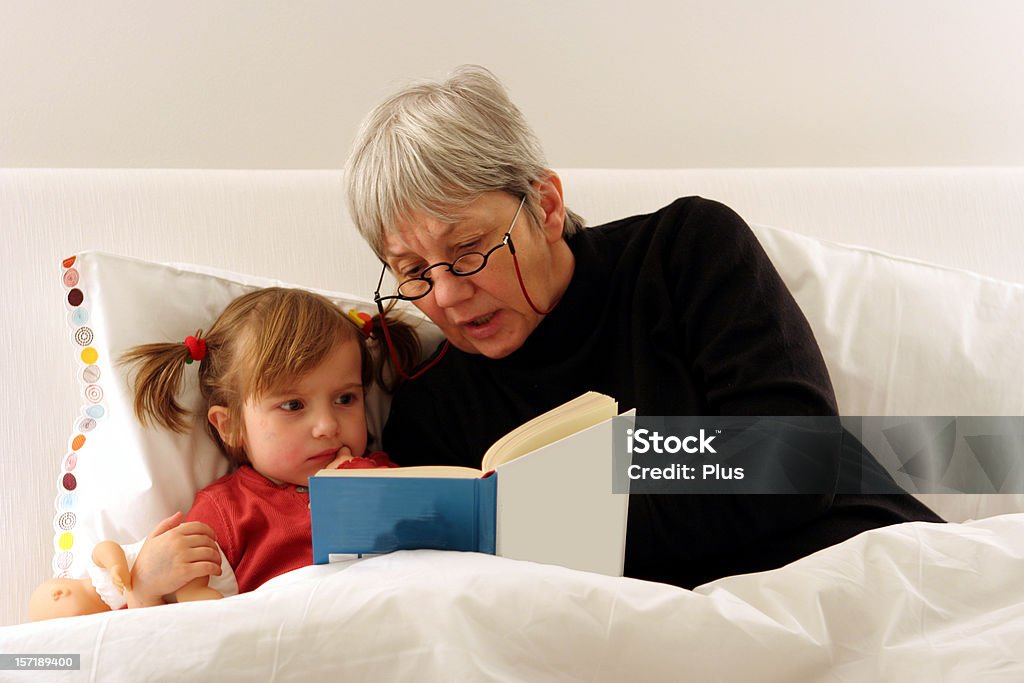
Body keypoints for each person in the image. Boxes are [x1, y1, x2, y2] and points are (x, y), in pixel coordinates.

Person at [344, 65, 943, 589]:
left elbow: (791, 461)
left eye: (470, 246)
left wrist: (586, 495)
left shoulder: (686, 251)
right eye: (413, 270)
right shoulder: (432, 412)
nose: (446, 294)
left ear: (546, 207)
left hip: (859, 566)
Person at [121, 288, 418, 599]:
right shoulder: (225, 512)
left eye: (345, 399)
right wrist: (144, 589)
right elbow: (179, 630)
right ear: (231, 426)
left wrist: (372, 487)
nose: (328, 426)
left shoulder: (382, 475)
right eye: (293, 406)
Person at [28, 513, 224, 621]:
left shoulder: (96, 575)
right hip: (175, 581)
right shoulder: (116, 611)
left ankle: (202, 594)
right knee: (190, 600)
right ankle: (221, 604)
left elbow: (105, 548)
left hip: (174, 552)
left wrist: (115, 565)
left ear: (59, 594)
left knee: (188, 588)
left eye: (64, 625)